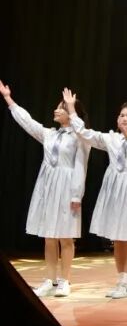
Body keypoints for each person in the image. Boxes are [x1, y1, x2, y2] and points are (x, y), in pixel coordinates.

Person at [0, 83, 89, 298]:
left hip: (67, 186)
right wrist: (8, 99)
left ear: (71, 114)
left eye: (61, 108)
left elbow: (81, 166)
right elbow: (27, 122)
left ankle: (64, 281)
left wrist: (76, 194)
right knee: (49, 236)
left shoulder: (80, 137)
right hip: (48, 186)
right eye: (58, 107)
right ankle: (49, 280)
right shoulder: (50, 134)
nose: (56, 110)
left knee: (65, 237)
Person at [68, 96, 127, 298]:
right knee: (117, 238)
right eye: (121, 115)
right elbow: (85, 133)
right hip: (113, 187)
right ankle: (120, 281)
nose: (124, 118)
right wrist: (72, 110)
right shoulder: (111, 138)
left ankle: (126, 283)